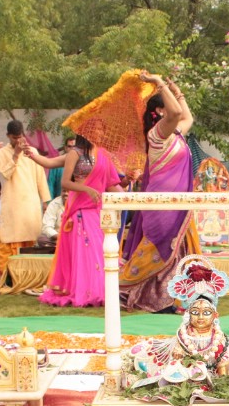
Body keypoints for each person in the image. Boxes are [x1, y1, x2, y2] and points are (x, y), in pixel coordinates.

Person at [120, 72, 196, 312]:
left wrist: (176, 90)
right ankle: (125, 288)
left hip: (176, 205)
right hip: (162, 207)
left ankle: (164, 299)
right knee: (158, 250)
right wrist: (159, 83)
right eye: (169, 104)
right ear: (161, 112)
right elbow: (176, 114)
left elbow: (187, 117)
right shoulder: (157, 135)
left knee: (172, 253)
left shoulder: (175, 135)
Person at [27, 134, 124, 306]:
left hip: (97, 209)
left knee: (101, 250)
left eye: (101, 128)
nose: (99, 131)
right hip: (80, 208)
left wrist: (131, 199)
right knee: (86, 251)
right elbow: (64, 182)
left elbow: (110, 184)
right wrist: (86, 189)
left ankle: (100, 291)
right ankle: (84, 292)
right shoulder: (75, 153)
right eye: (96, 128)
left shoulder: (103, 154)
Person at [0, 119, 50, 292]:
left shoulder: (32, 151)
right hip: (12, 206)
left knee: (30, 244)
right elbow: (6, 173)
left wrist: (46, 201)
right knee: (7, 241)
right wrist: (16, 154)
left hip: (31, 206)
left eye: (20, 137)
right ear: (8, 136)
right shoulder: (2, 153)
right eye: (14, 137)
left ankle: (30, 282)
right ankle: (8, 281)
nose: (18, 140)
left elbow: (40, 177)